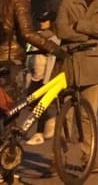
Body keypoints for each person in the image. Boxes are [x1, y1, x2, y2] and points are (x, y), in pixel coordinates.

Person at [24, 11, 60, 146]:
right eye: (40, 20)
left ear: (51, 22)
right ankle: (49, 119)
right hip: (34, 76)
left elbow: (52, 59)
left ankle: (39, 132)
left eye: (45, 20)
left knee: (40, 105)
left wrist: (47, 79)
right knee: (32, 103)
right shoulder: (36, 36)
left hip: (44, 76)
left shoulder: (54, 39)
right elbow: (28, 53)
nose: (42, 23)